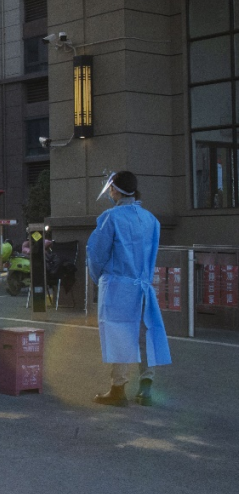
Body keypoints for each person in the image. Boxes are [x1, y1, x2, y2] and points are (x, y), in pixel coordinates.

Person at [87, 171, 171, 406]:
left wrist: (99, 278)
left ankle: (118, 388)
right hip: (143, 286)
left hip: (118, 286)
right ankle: (146, 388)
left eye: (110, 188)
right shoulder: (150, 219)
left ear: (115, 189)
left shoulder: (110, 217)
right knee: (146, 334)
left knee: (120, 334)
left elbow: (96, 254)